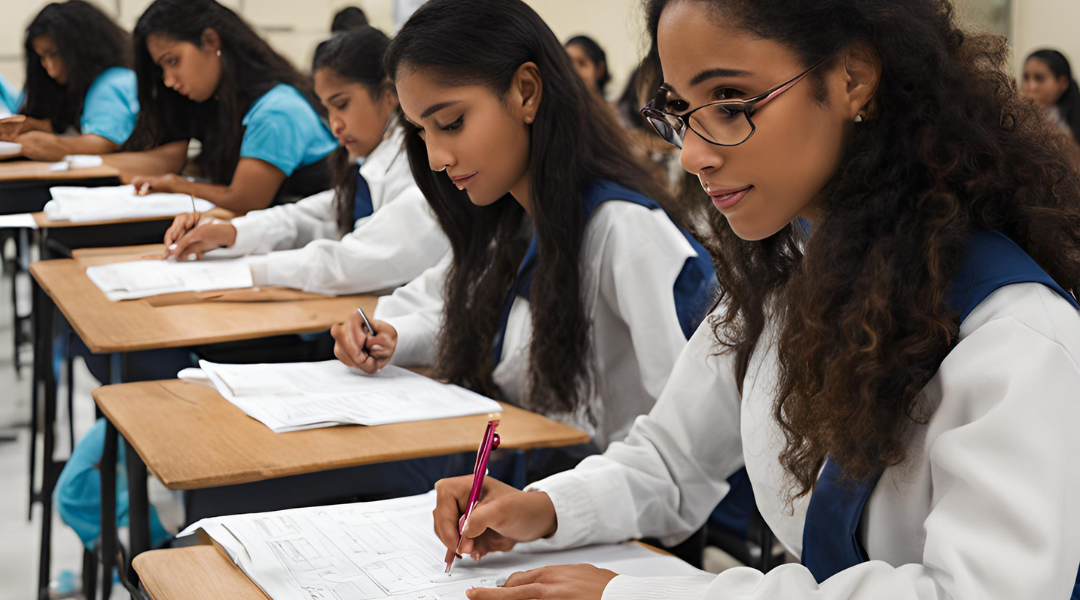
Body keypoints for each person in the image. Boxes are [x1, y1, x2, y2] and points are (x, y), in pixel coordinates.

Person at [429, 0, 1080, 598]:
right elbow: (672, 456)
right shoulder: (787, 270)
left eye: (731, 104)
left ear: (853, 78)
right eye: (681, 110)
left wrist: (636, 594)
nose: (691, 155)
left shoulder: (1017, 338)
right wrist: (541, 509)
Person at [331, 0, 717, 465]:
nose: (435, 157)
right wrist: (388, 333)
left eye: (452, 123)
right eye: (421, 132)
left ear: (527, 92)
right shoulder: (510, 216)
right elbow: (455, 308)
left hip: (598, 506)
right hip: (525, 483)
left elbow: (688, 442)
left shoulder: (623, 230)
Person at [161, 26, 449, 296]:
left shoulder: (416, 169)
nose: (335, 124)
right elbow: (314, 215)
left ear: (389, 95)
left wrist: (251, 268)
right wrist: (234, 232)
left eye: (342, 104)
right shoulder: (371, 161)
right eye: (327, 109)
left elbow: (357, 260)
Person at [109, 0, 337, 212]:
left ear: (210, 41)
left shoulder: (276, 110)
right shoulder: (220, 105)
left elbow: (244, 201)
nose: (168, 80)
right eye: (162, 70)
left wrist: (177, 185)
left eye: (172, 61)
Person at [0, 1, 138, 160]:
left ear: (83, 48)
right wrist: (34, 126)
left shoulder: (112, 81)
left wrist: (31, 143)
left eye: (53, 54)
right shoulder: (70, 86)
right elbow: (73, 127)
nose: (49, 67)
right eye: (42, 58)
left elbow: (102, 143)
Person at [1022, 49, 1080, 144]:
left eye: (1039, 78)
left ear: (1062, 82)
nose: (1031, 86)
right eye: (1026, 77)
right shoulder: (1013, 118)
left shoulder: (1069, 129)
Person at [565, 35, 611, 100]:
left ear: (600, 69)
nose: (573, 69)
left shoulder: (611, 109)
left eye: (582, 63)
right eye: (568, 63)